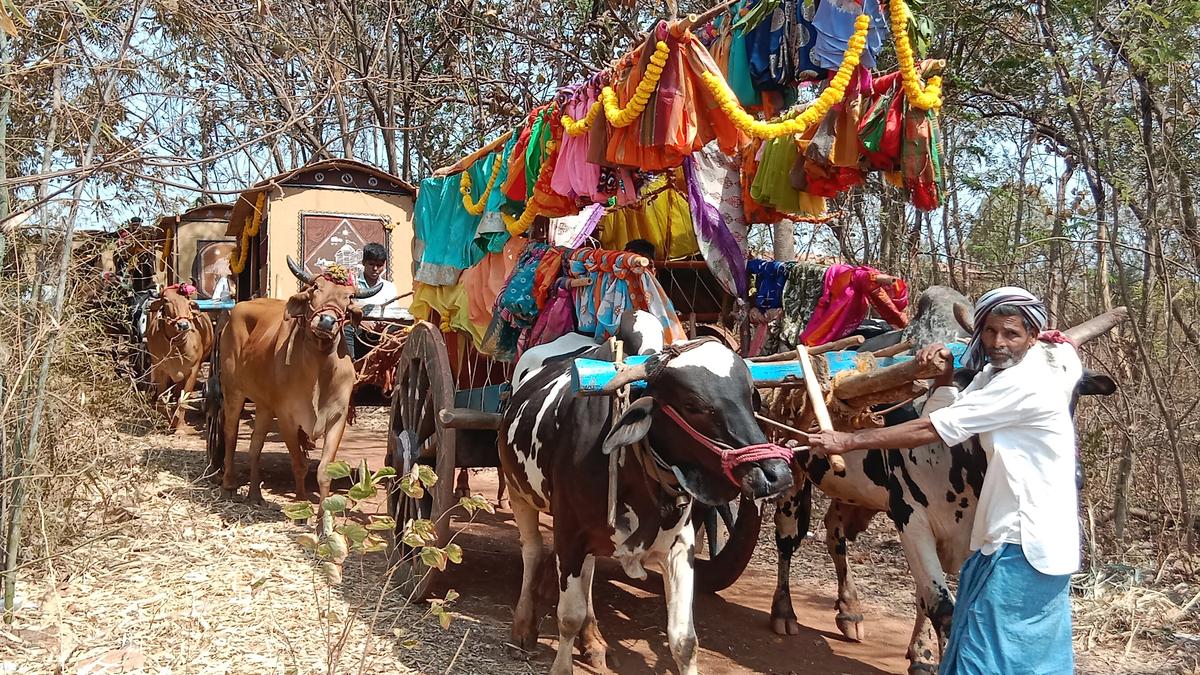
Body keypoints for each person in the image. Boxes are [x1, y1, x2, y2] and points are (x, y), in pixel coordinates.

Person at [808, 287, 1082, 675]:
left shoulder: (1024, 383)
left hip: (1024, 541)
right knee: (1011, 649)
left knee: (991, 655)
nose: (997, 343)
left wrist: (848, 440)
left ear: (1033, 336)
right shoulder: (1027, 366)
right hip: (1009, 536)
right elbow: (965, 397)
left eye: (1011, 334)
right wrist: (946, 373)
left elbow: (931, 428)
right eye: (989, 332)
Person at [344, 243, 399, 360]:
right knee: (347, 328)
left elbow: (394, 316)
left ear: (384, 265)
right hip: (357, 331)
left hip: (382, 333)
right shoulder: (351, 284)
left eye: (379, 265)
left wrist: (384, 327)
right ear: (364, 262)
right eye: (371, 264)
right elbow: (344, 309)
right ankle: (350, 363)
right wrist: (361, 322)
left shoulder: (389, 287)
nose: (375, 269)